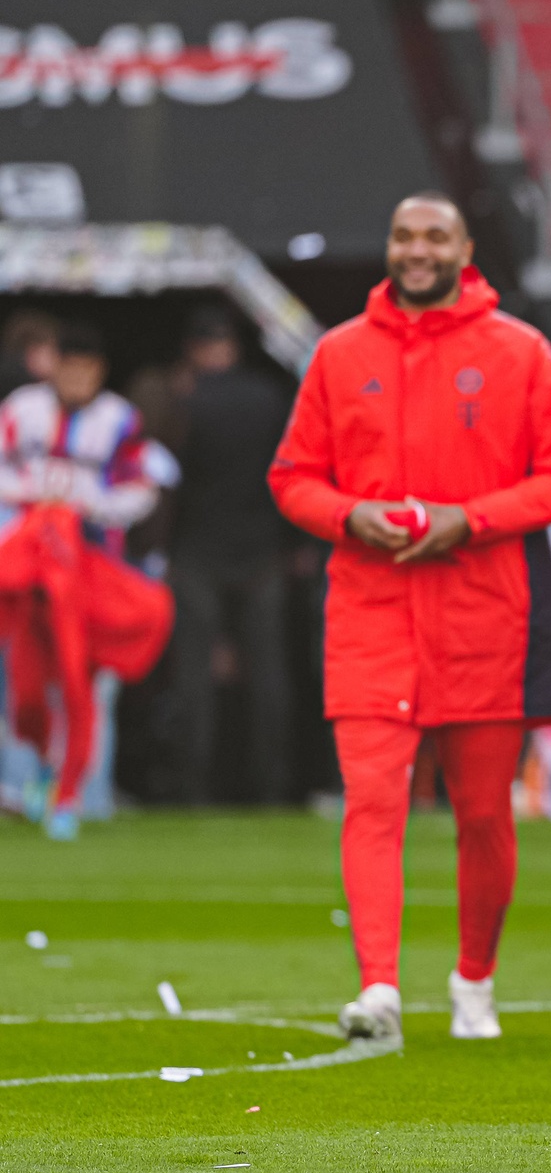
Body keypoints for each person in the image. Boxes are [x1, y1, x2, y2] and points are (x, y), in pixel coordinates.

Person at [269, 192, 551, 1042]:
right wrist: (350, 517)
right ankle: (377, 985)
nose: (417, 251)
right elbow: (293, 476)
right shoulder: (341, 354)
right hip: (372, 615)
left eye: (434, 237)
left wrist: (469, 519)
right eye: (405, 236)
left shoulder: (519, 351)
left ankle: (474, 980)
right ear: (390, 246)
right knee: (371, 801)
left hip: (485, 616)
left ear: (465, 247)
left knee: (484, 813)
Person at [0, 321, 175, 841]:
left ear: (98, 372)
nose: (76, 379)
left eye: (86, 370)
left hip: (88, 569)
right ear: (54, 365)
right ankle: (23, 783)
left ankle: (82, 795)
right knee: (24, 684)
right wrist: (36, 494)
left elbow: (146, 485)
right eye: (68, 367)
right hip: (29, 575)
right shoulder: (22, 409)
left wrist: (90, 504)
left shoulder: (119, 419)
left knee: (84, 683)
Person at [166, 306, 296, 806]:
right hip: (263, 550)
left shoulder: (185, 401)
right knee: (269, 674)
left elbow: (170, 481)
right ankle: (274, 787)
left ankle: (192, 789)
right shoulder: (269, 398)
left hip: (198, 550)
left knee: (194, 677)